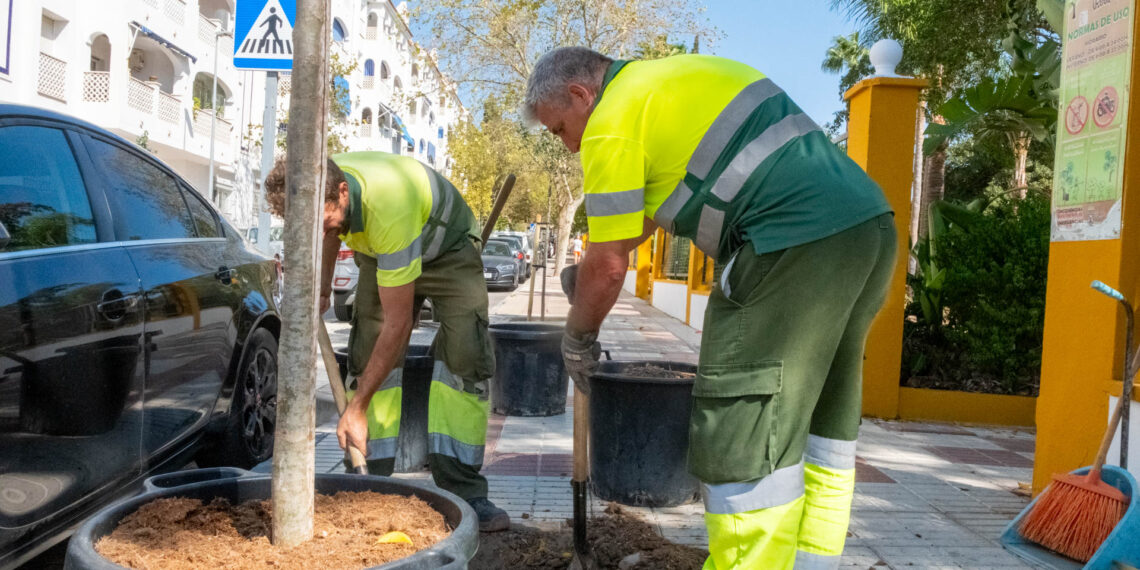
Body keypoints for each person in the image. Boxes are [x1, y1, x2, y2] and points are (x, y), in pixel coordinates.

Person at [526, 47, 896, 569]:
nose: (568, 147)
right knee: (822, 425)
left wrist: (577, 336)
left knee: (742, 429)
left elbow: (608, 267)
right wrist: (589, 271)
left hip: (788, 243)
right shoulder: (672, 81)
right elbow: (637, 223)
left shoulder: (611, 122)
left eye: (561, 128)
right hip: (866, 229)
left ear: (581, 95)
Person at [264, 152, 509, 532]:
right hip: (381, 252)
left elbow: (399, 325)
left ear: (343, 192)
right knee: (368, 353)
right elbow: (329, 232)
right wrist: (324, 288)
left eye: (324, 219)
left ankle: (466, 491)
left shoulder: (388, 205)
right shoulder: (317, 181)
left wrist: (357, 407)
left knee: (466, 357)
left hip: (447, 251)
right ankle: (366, 483)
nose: (322, 229)